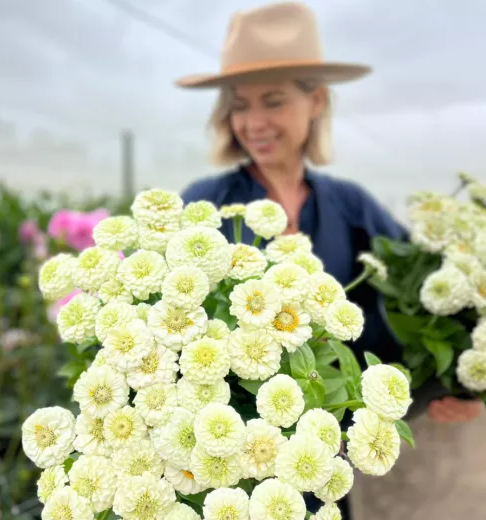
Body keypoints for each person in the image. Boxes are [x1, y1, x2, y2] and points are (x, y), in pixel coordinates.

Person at [175, 2, 482, 517]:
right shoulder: (205, 204)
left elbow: (430, 296)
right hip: (226, 464)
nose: (253, 122)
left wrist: (463, 382)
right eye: (239, 104)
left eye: (272, 101)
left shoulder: (350, 205)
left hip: (325, 461)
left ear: (315, 101)